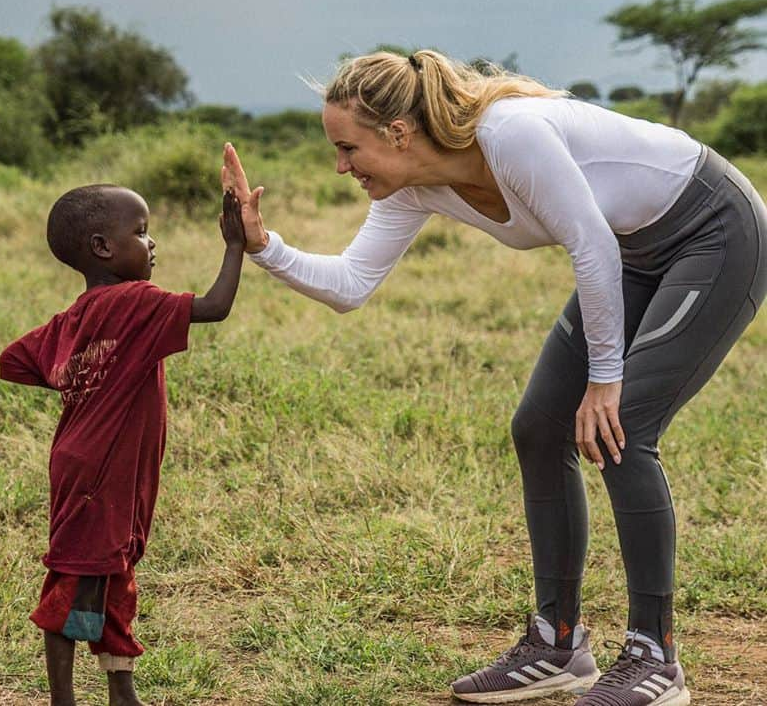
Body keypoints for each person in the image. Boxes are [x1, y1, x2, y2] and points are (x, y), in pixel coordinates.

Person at [222, 50, 767, 706]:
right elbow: (350, 284)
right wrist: (263, 246)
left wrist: (604, 379)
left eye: (348, 147)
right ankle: (557, 642)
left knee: (624, 425)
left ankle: (655, 655)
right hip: (634, 250)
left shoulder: (509, 134)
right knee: (539, 427)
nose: (341, 166)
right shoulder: (415, 185)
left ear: (398, 132)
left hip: (713, 228)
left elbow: (590, 244)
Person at [0, 179, 245, 706]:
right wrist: (234, 245)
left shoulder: (75, 317)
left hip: (89, 465)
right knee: (78, 584)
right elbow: (216, 306)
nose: (152, 242)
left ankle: (121, 691)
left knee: (111, 577)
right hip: (101, 475)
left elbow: (14, 360)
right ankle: (63, 699)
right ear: (103, 248)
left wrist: (78, 371)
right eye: (141, 231)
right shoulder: (136, 301)